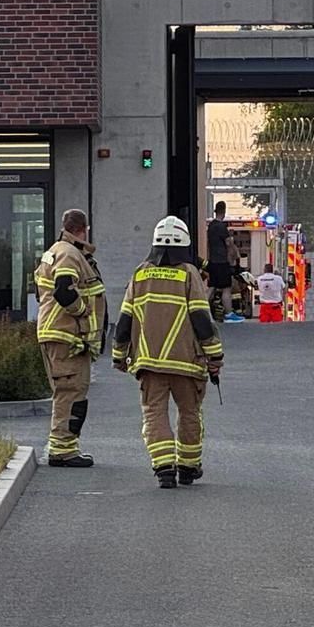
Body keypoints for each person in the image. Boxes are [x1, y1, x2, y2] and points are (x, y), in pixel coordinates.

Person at [111, 216, 223, 489]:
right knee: (189, 413)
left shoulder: (140, 273)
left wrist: (119, 355)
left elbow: (124, 320)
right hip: (186, 361)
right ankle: (187, 467)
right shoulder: (188, 274)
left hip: (149, 363)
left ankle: (163, 468)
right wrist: (215, 356)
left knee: (154, 414)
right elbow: (200, 318)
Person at [34, 208, 107, 468]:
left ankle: (64, 447)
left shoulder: (53, 252)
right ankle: (63, 449)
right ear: (83, 229)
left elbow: (40, 293)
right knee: (70, 392)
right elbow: (64, 291)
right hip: (68, 335)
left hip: (57, 332)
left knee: (66, 392)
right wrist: (83, 313)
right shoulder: (69, 254)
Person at [207, 201, 241, 322]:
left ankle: (202, 312)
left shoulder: (211, 226)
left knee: (212, 287)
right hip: (222, 261)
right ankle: (229, 314)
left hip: (212, 261)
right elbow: (228, 243)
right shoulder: (221, 227)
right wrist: (236, 255)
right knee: (226, 287)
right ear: (224, 211)